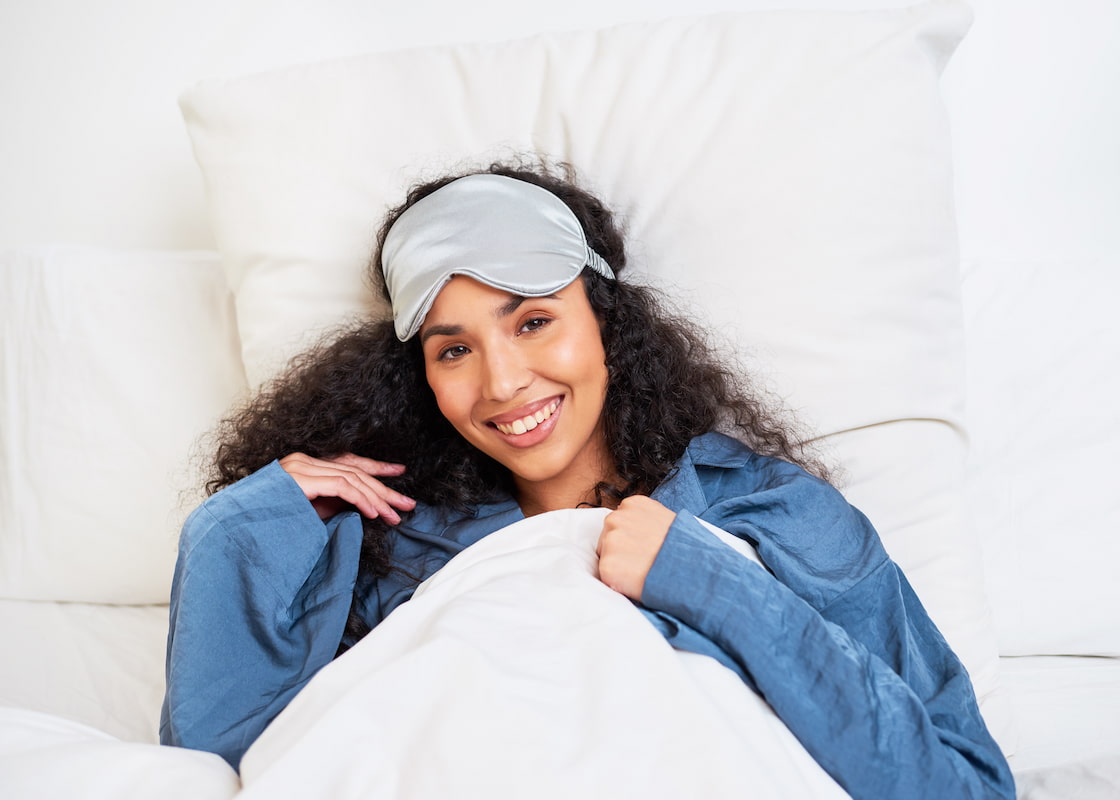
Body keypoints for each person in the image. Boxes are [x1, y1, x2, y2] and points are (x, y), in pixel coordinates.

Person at [160, 161, 1014, 798]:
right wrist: (237, 527)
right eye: (452, 349)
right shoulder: (396, 541)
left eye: (533, 321)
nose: (500, 383)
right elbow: (225, 761)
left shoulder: (768, 513)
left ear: (605, 321)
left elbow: (961, 785)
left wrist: (710, 582)